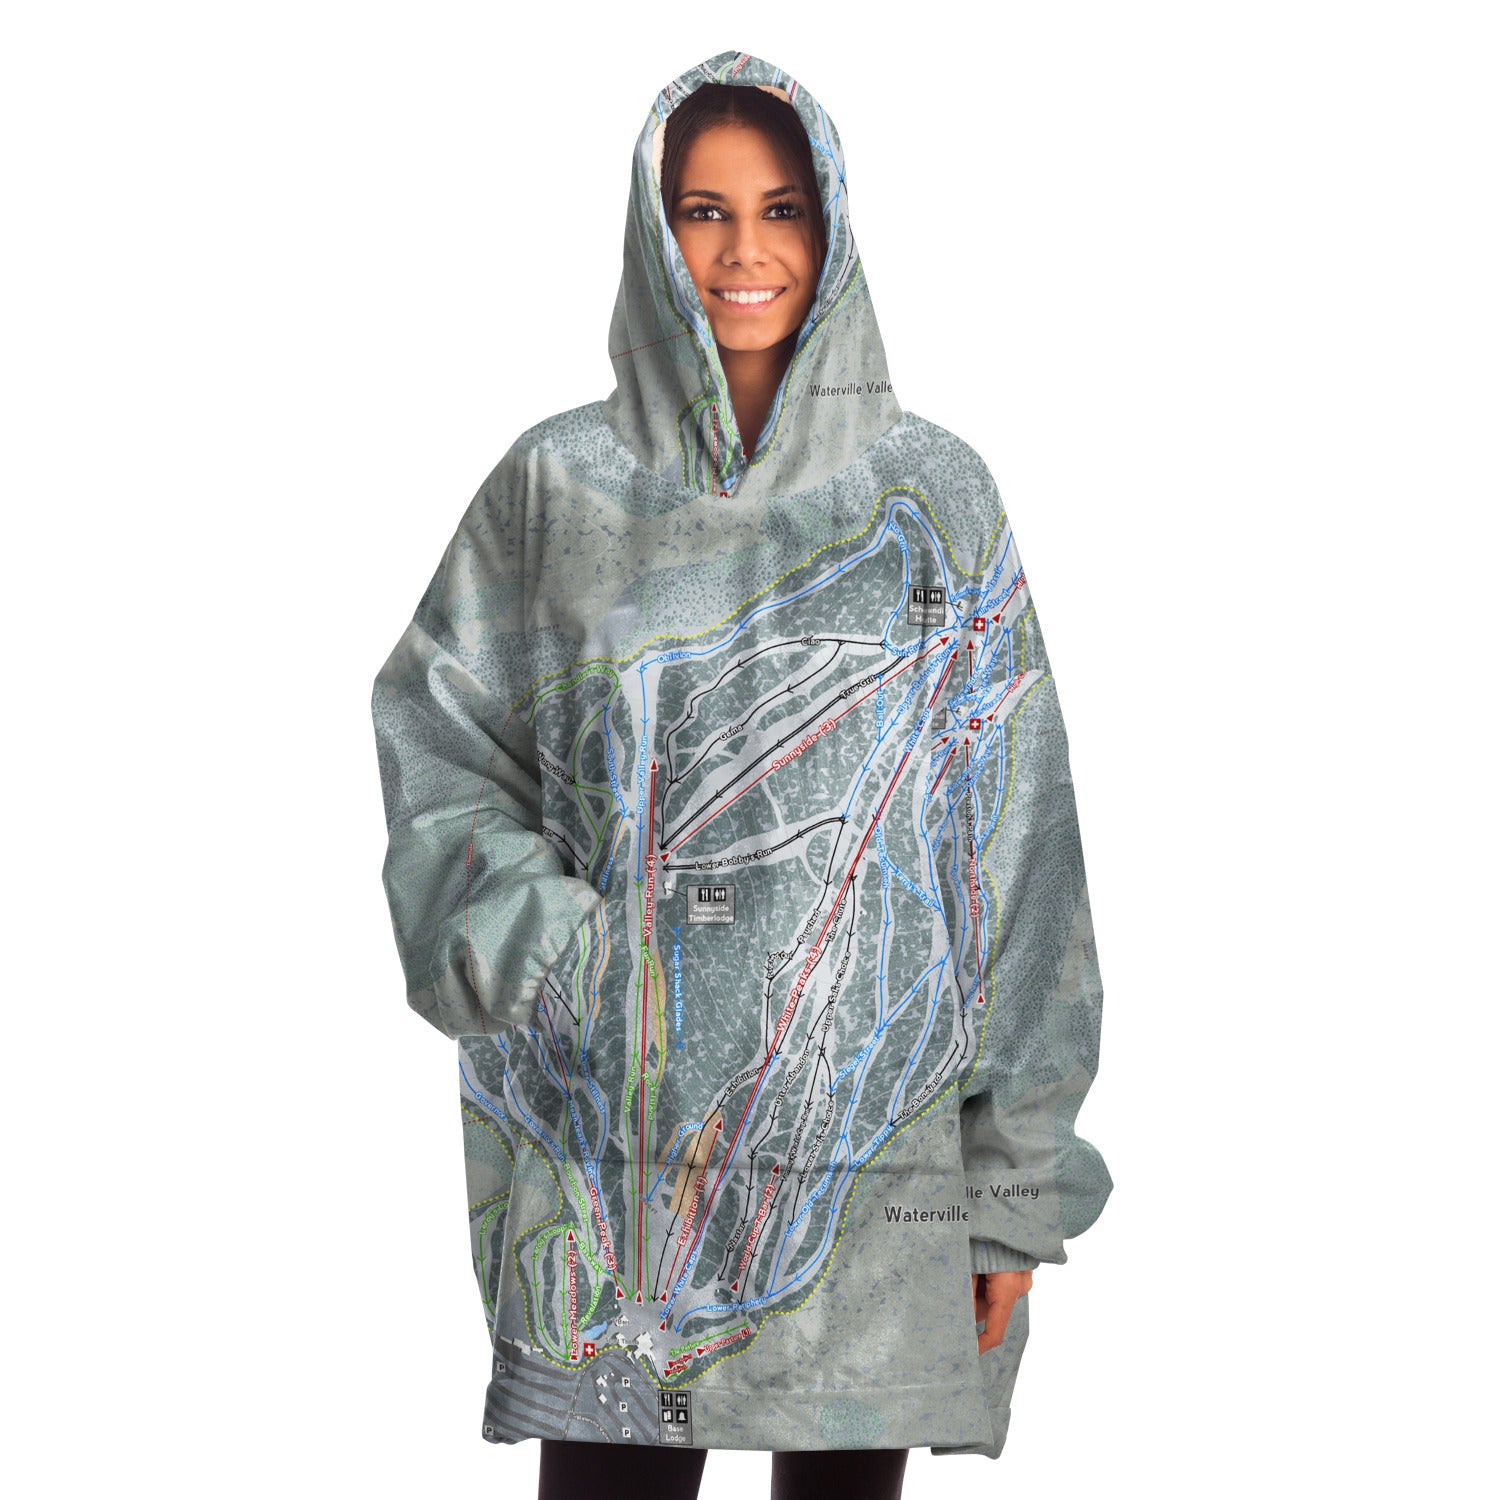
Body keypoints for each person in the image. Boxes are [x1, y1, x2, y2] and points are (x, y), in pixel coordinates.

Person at [370, 50, 1110, 1500]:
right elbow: (438, 734)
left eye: (781, 209)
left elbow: (1019, 849)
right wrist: (555, 950)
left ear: (830, 227)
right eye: (703, 212)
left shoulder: (937, 497)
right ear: (654, 235)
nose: (744, 250)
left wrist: (1015, 1193)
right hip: (611, 1175)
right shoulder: (555, 486)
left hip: (875, 1188)